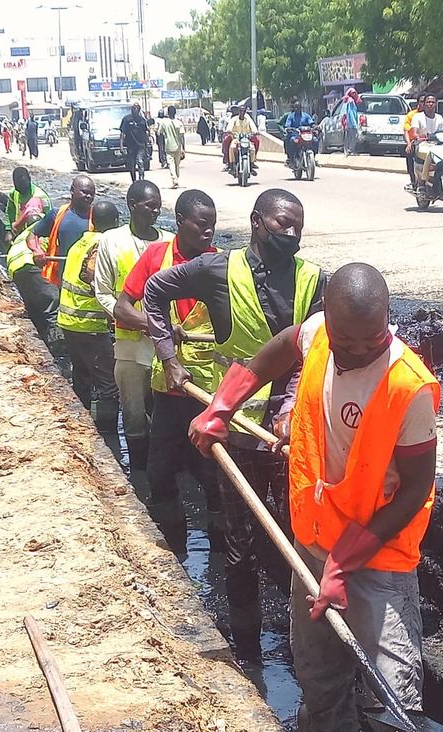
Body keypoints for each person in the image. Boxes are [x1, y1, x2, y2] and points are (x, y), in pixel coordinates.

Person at [187, 263, 443, 732]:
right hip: (311, 541)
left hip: (376, 558)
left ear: (388, 323)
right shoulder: (318, 335)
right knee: (319, 678)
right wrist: (222, 405)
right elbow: (274, 353)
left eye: (371, 339)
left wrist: (344, 564)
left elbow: (413, 493)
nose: (357, 351)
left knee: (393, 697)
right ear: (328, 321)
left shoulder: (409, 388)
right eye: (346, 339)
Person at [144, 189, 325, 663]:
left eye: (299, 228)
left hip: (290, 433)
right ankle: (247, 650)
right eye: (283, 224)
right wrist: (170, 359)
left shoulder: (312, 279)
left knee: (299, 541)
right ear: (257, 222)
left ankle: (301, 645)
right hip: (237, 429)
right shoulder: (216, 270)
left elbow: (315, 352)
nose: (292, 235)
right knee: (238, 545)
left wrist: (290, 411)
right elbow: (154, 291)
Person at [113, 191, 222, 525]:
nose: (209, 233)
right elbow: (121, 310)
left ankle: (221, 546)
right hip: (168, 388)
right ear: (179, 222)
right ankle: (170, 540)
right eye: (202, 225)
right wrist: (158, 325)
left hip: (208, 391)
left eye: (213, 226)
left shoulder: (220, 264)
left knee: (214, 476)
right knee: (160, 471)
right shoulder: (155, 258)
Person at [92, 180, 169, 466]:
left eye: (159, 206)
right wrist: (136, 320)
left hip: (164, 345)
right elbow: (102, 292)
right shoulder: (111, 241)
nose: (156, 212)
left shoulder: (169, 241)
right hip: (128, 343)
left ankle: (163, 467)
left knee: (164, 409)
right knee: (134, 411)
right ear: (132, 206)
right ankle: (137, 470)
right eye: (150, 206)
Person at [57, 200, 121, 432]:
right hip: (89, 325)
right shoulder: (104, 245)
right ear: (115, 224)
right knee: (108, 385)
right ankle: (107, 435)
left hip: (68, 321)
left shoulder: (80, 243)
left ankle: (80, 426)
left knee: (82, 376)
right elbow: (98, 283)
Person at [6, 195, 59, 343]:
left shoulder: (23, 235)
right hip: (30, 264)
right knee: (53, 302)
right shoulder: (46, 230)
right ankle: (58, 346)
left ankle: (42, 335)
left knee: (34, 306)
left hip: (15, 269)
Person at [29, 174, 95, 288]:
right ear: (72, 191)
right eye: (84, 192)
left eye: (91, 194)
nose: (88, 196)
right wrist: (37, 250)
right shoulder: (57, 214)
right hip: (61, 281)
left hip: (85, 282)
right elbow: (33, 234)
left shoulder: (96, 217)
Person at [409, 94, 443, 192]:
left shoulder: (439, 118)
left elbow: (442, 132)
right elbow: (414, 132)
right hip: (422, 144)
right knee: (428, 155)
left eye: (433, 102)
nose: (431, 104)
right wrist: (418, 136)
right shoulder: (417, 117)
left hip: (437, 145)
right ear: (424, 105)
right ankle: (421, 182)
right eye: (428, 102)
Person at [5, 167, 50, 243]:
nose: (21, 189)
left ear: (29, 179)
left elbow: (49, 219)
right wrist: (8, 231)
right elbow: (10, 212)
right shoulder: (13, 193)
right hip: (19, 233)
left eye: (23, 186)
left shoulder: (41, 197)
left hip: (36, 236)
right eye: (18, 187)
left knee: (33, 218)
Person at [223, 104, 259, 174]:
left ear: (245, 111)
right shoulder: (234, 119)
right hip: (236, 139)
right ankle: (231, 165)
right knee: (232, 147)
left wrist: (255, 132)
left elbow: (253, 127)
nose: (242, 112)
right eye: (241, 111)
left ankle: (251, 164)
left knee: (252, 148)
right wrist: (229, 131)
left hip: (246, 139)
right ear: (238, 111)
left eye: (244, 111)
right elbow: (229, 127)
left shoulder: (248, 119)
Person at [280, 97, 314, 167]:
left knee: (315, 140)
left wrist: (315, 126)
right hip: (296, 136)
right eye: (296, 108)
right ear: (294, 108)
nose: (297, 109)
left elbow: (311, 123)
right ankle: (292, 159)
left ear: (301, 108)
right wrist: (288, 129)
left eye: (298, 107)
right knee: (292, 140)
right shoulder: (291, 116)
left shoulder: (306, 115)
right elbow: (287, 125)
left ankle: (313, 158)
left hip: (305, 135)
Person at [120, 102, 150, 180]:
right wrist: (121, 146)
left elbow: (146, 132)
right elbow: (122, 133)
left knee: (140, 161)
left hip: (140, 145)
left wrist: (147, 144)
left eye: (137, 108)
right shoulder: (126, 119)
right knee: (132, 165)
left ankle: (141, 179)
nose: (135, 110)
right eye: (134, 108)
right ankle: (134, 180)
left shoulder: (142, 120)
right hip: (130, 145)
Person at [159, 105, 185, 188]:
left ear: (168, 113)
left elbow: (159, 132)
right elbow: (182, 136)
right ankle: (176, 178)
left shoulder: (164, 122)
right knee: (177, 164)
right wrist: (183, 148)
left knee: (171, 164)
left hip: (168, 147)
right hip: (178, 147)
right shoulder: (179, 123)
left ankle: (174, 179)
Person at [343, 87, 361, 156]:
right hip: (351, 123)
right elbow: (351, 113)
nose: (354, 94)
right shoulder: (350, 101)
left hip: (349, 123)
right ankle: (350, 150)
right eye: (352, 93)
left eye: (354, 92)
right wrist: (354, 123)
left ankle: (349, 150)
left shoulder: (349, 100)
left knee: (350, 137)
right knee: (354, 136)